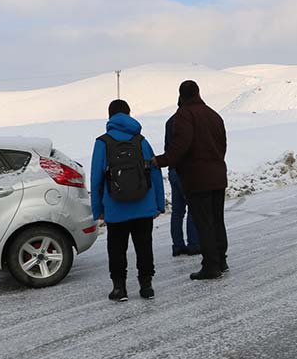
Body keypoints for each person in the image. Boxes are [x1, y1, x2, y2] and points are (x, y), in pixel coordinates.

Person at [91, 99, 165, 301]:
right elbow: (155, 173)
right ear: (129, 114)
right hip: (143, 204)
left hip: (115, 208)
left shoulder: (102, 143)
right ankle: (146, 286)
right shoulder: (141, 141)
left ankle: (119, 288)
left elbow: (96, 179)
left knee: (116, 248)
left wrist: (98, 210)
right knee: (144, 245)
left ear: (109, 116)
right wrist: (159, 203)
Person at [154, 80, 228, 280]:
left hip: (198, 178)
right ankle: (221, 260)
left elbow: (180, 146)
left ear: (181, 95)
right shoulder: (214, 115)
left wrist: (160, 161)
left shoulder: (184, 115)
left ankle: (211, 266)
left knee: (203, 222)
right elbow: (222, 144)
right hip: (218, 175)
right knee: (217, 220)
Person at [165, 114, 201, 257]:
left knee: (177, 211)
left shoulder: (170, 122)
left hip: (173, 169)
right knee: (193, 207)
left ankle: (178, 245)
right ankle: (194, 243)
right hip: (186, 170)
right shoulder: (188, 119)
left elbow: (168, 147)